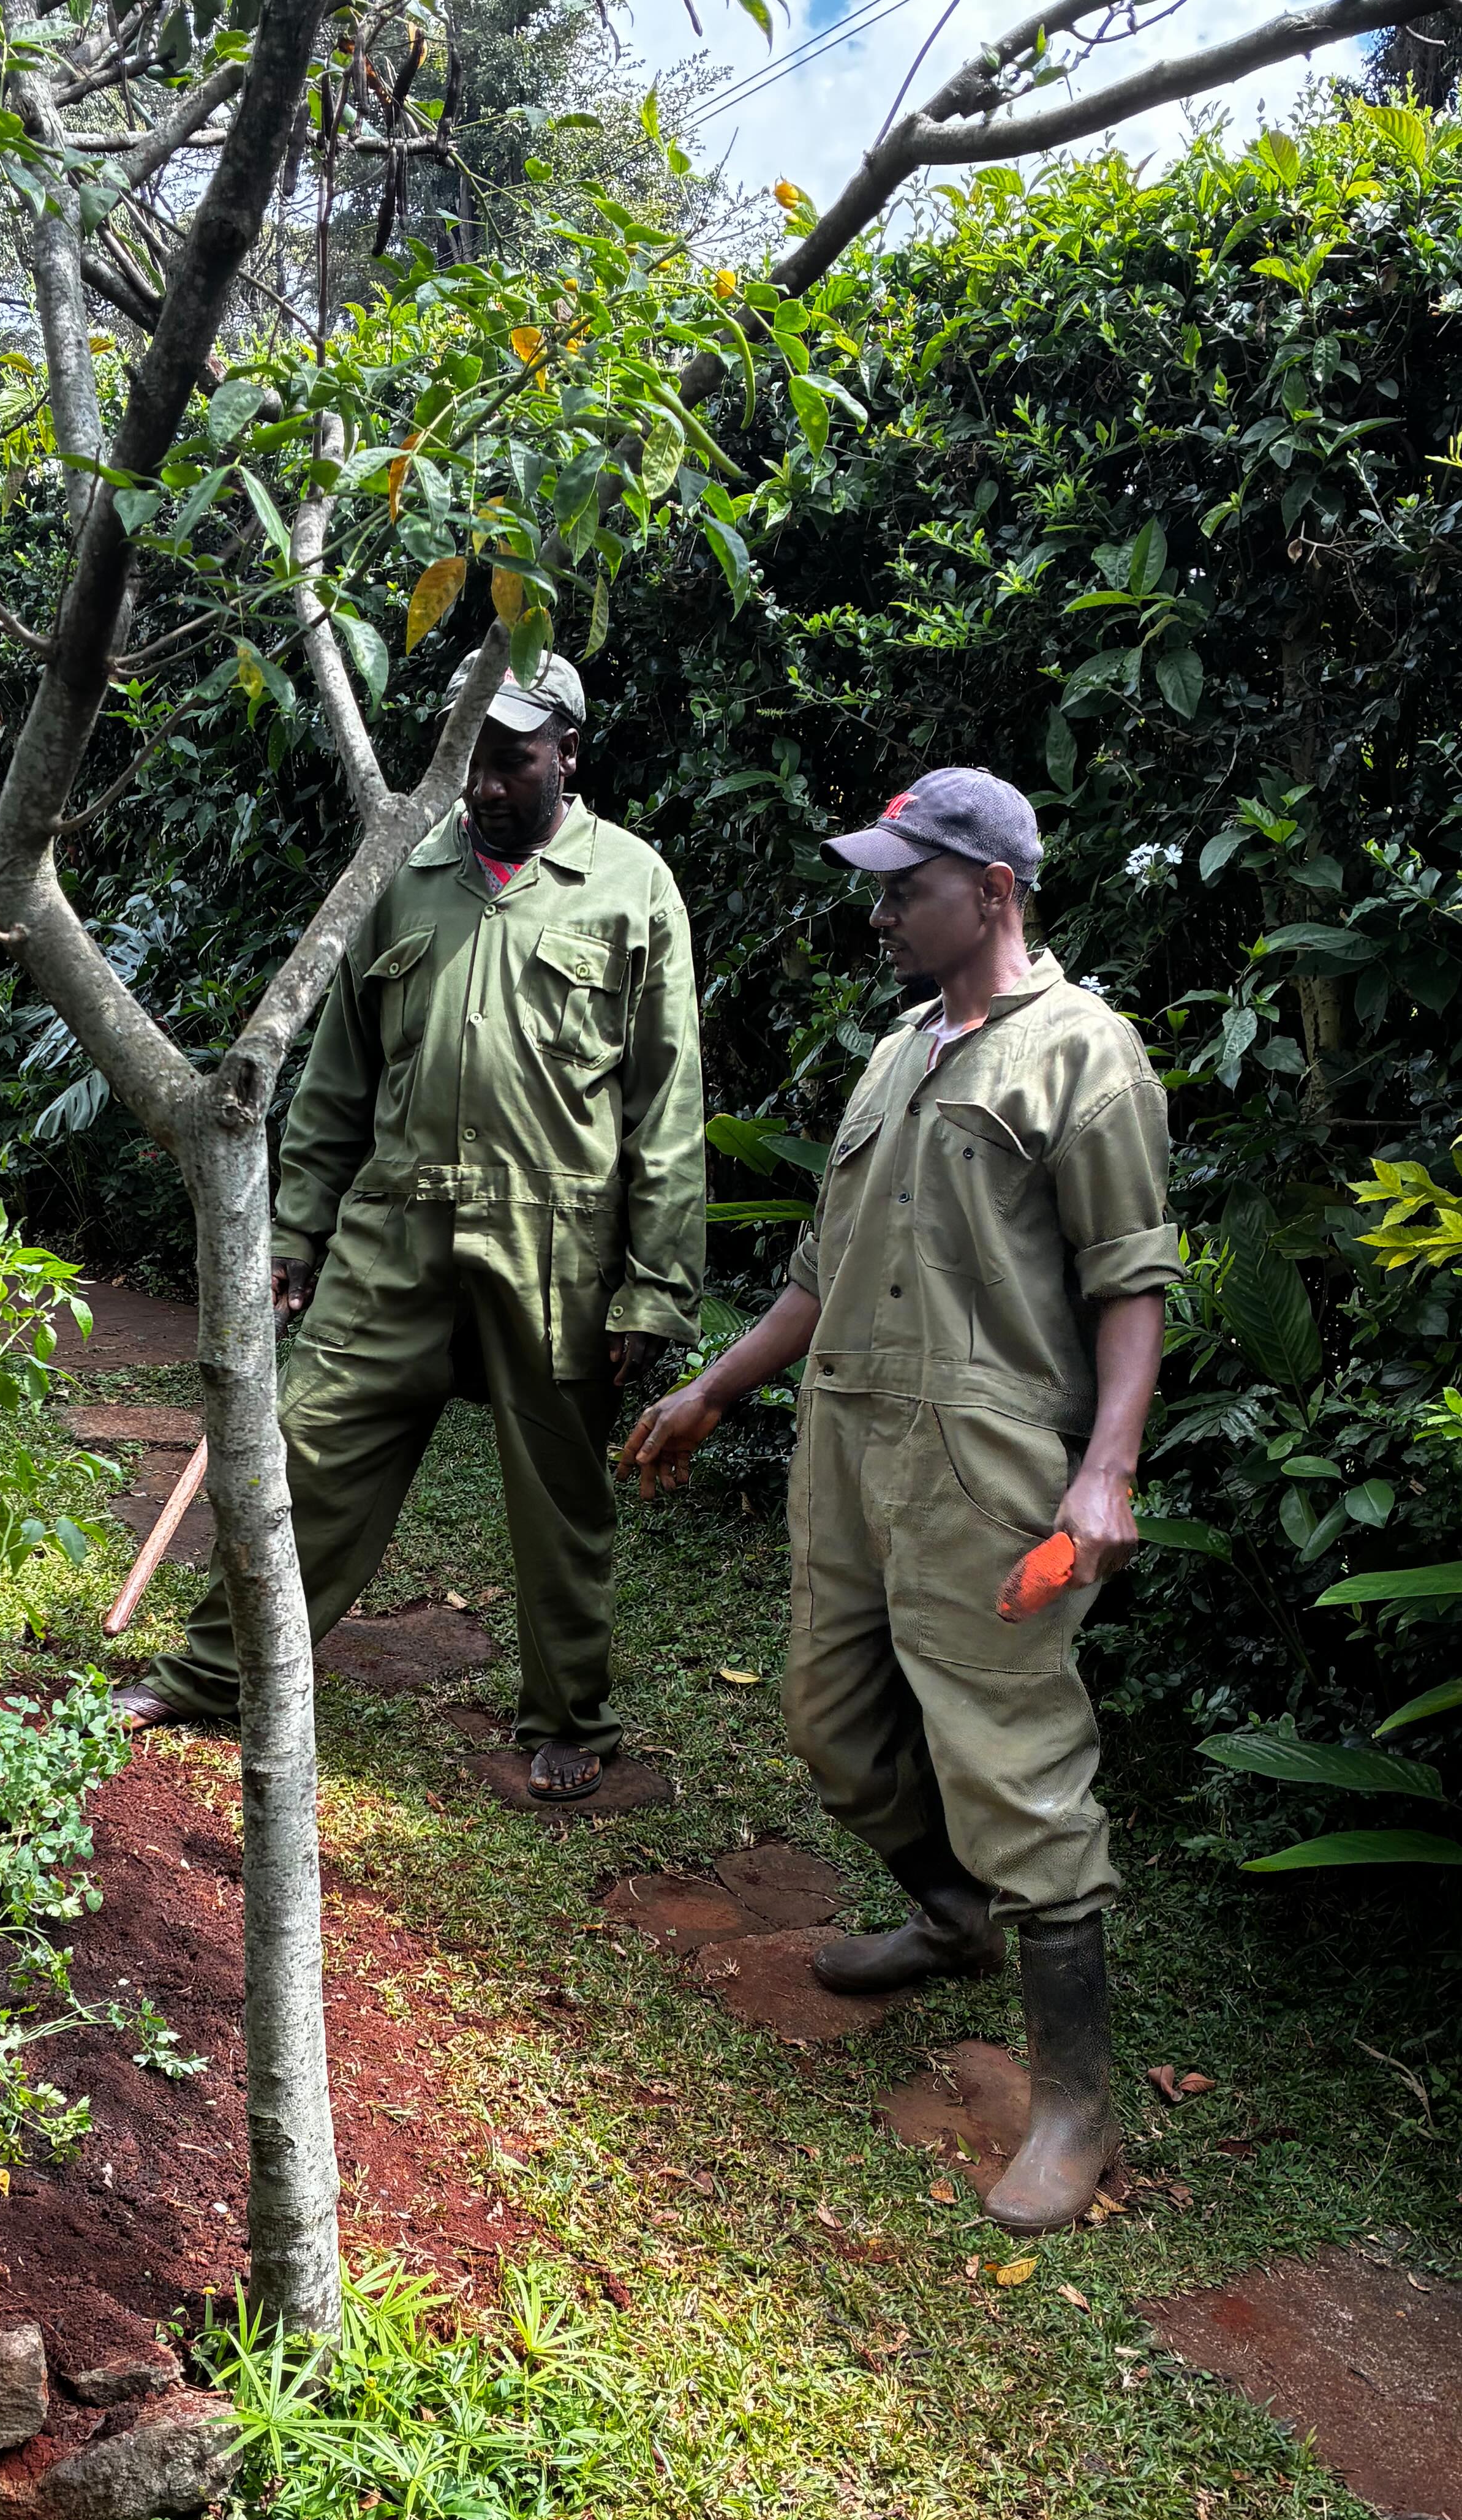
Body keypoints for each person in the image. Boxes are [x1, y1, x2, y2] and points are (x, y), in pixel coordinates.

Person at [619, 767, 1174, 2233]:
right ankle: (953, 1915)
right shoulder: (891, 1057)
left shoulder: (1086, 1054)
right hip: (850, 1449)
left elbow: (1131, 1281)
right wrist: (715, 1388)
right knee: (829, 1719)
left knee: (1018, 1763)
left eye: (902, 888)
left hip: (989, 1468)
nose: (878, 914)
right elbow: (822, 1271)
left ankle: (1074, 2107)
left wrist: (1107, 1468)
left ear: (990, 892)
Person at [119, 649, 706, 1803]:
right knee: (304, 1451)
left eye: (512, 760)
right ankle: (215, 1672)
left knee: (559, 1500)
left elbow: (667, 1101)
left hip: (554, 1248)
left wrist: (656, 1284)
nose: (484, 783)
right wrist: (294, 1233)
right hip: (391, 1235)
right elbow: (338, 1078)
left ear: (567, 754)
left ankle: (569, 1718)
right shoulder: (402, 875)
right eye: (470, 757)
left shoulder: (634, 885)